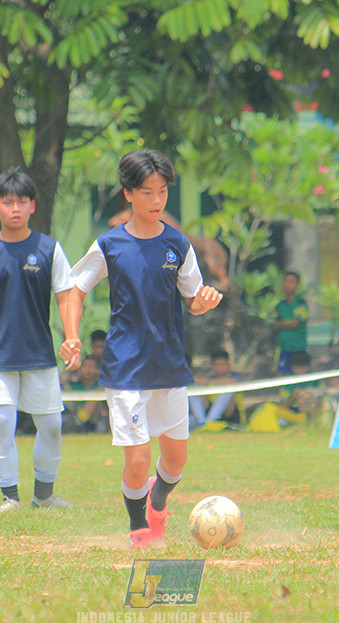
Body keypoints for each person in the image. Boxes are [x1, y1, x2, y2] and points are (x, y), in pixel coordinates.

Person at [60, 149, 224, 549]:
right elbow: (75, 289)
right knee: (135, 461)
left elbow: (193, 300)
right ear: (128, 193)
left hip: (168, 364)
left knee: (176, 461)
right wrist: (72, 335)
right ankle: (138, 529)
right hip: (125, 366)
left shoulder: (178, 244)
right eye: (148, 192)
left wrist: (205, 301)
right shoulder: (110, 244)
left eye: (163, 192)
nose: (157, 201)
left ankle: (158, 502)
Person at [0, 166, 74, 513]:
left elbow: (66, 296)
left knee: (51, 425)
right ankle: (11, 498)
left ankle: (44, 496)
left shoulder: (50, 249)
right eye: (8, 203)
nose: (16, 209)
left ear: (33, 206)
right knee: (3, 421)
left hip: (39, 352)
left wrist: (72, 338)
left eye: (22, 202)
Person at [188, 350, 243, 430]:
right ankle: (202, 421)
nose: (220, 367)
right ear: (212, 366)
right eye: (217, 365)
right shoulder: (209, 380)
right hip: (208, 413)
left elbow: (234, 381)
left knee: (228, 390)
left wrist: (208, 382)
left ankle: (210, 422)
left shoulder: (234, 378)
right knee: (194, 388)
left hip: (230, 417)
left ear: (229, 365)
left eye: (223, 364)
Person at [274, 271, 309, 375]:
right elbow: (275, 323)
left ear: (297, 285)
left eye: (291, 282)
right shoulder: (280, 305)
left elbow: (294, 324)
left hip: (298, 347)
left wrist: (281, 324)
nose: (287, 285)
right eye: (285, 282)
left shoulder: (301, 304)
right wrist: (284, 324)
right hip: (283, 347)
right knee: (282, 375)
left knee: (299, 376)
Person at [64, 356, 107, 433]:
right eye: (85, 366)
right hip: (75, 413)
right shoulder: (73, 386)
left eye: (91, 367)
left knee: (96, 396)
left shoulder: (100, 386)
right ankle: (79, 421)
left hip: (94, 416)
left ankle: (82, 422)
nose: (88, 370)